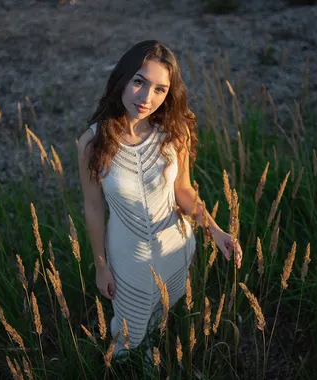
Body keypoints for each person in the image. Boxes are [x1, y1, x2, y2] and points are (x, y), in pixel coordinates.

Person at [77, 40, 242, 357]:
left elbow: (183, 191)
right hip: (128, 258)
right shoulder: (92, 142)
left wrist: (215, 230)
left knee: (160, 315)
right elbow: (93, 206)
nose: (146, 97)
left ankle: (151, 355)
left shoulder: (174, 132)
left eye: (160, 89)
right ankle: (125, 368)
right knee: (127, 334)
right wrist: (101, 266)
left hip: (174, 248)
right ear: (123, 78)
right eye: (139, 82)